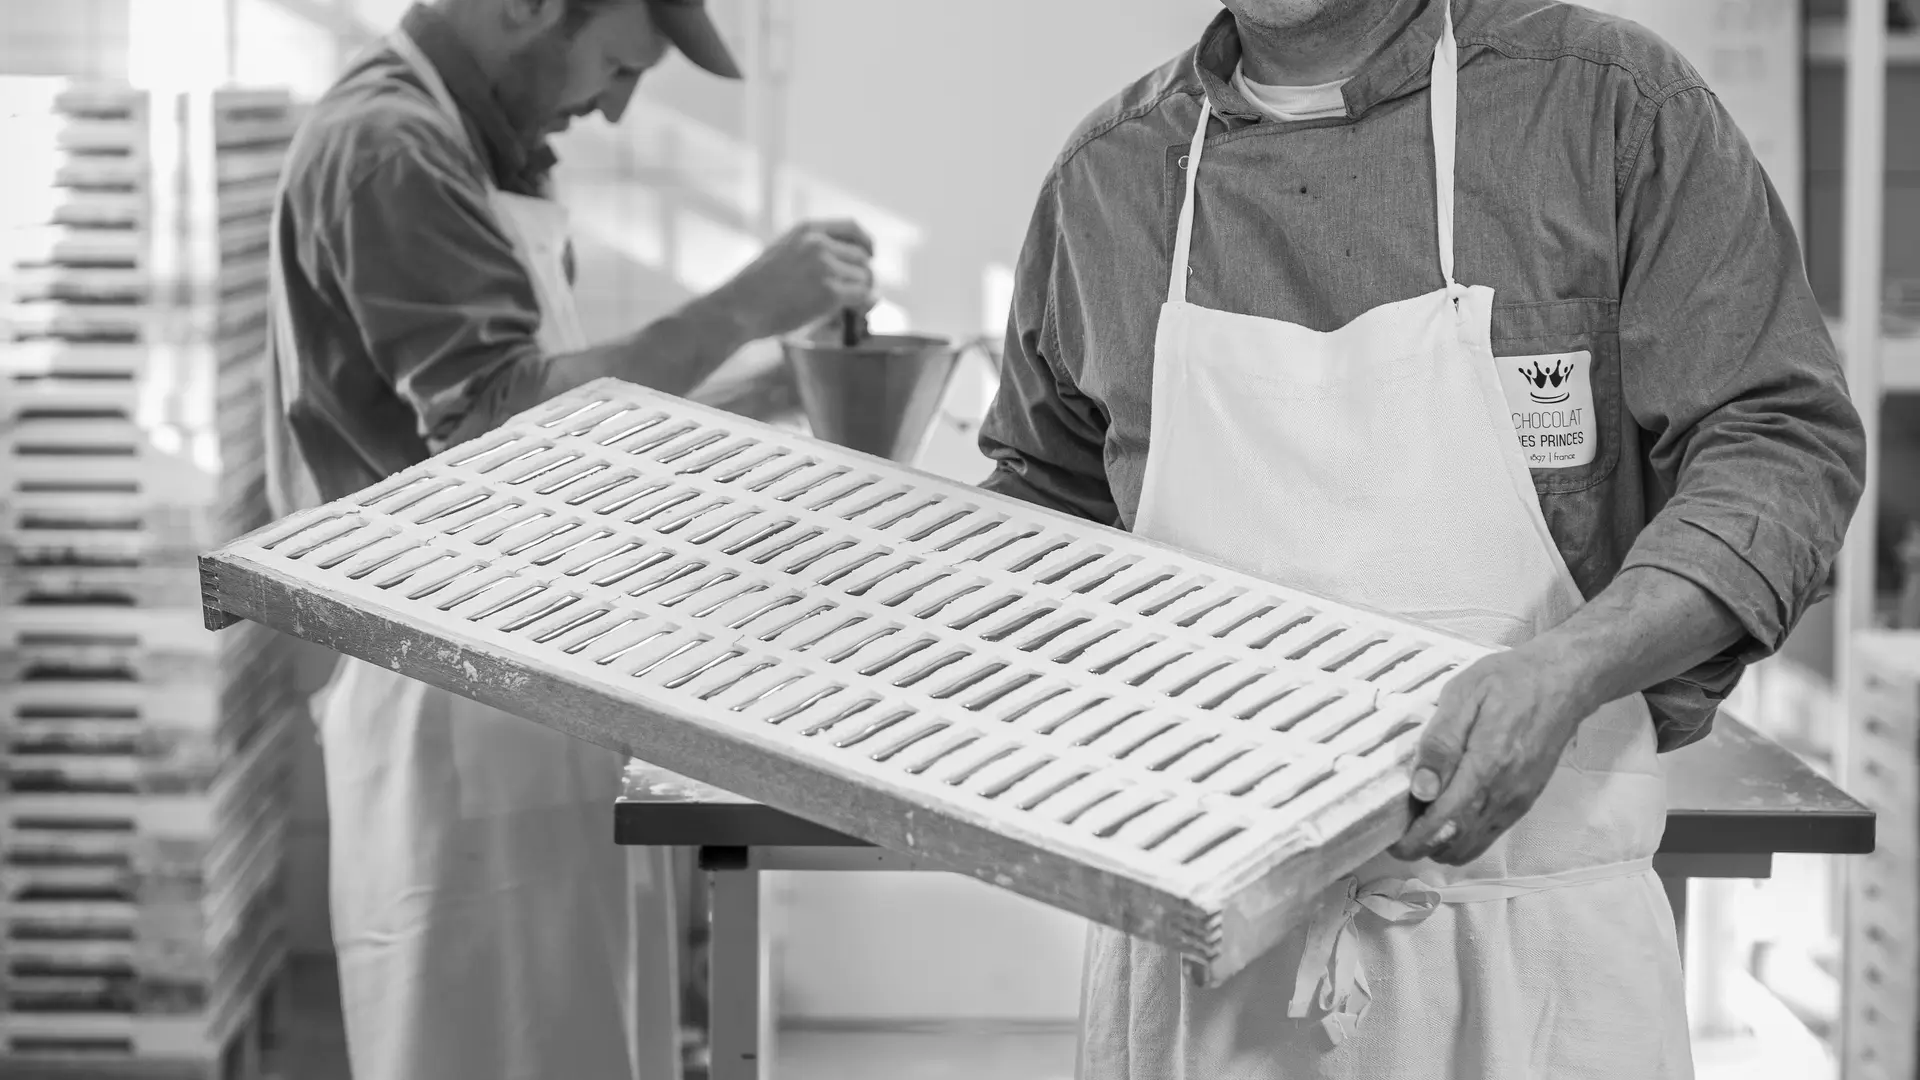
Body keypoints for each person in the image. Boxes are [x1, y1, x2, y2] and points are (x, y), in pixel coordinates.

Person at [979, 0, 1865, 1076]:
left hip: (1532, 962)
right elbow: (1046, 503)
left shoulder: (1604, 106)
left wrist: (1574, 667)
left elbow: (1782, 444)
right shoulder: (1107, 181)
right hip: (1195, 968)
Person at [261, 1, 874, 1078]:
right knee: (492, 1041)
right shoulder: (389, 151)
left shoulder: (475, 147)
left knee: (573, 1036)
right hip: (452, 701)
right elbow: (502, 426)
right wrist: (746, 303)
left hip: (520, 669)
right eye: (620, 64)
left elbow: (564, 424)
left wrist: (771, 387)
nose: (617, 105)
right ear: (529, 7)